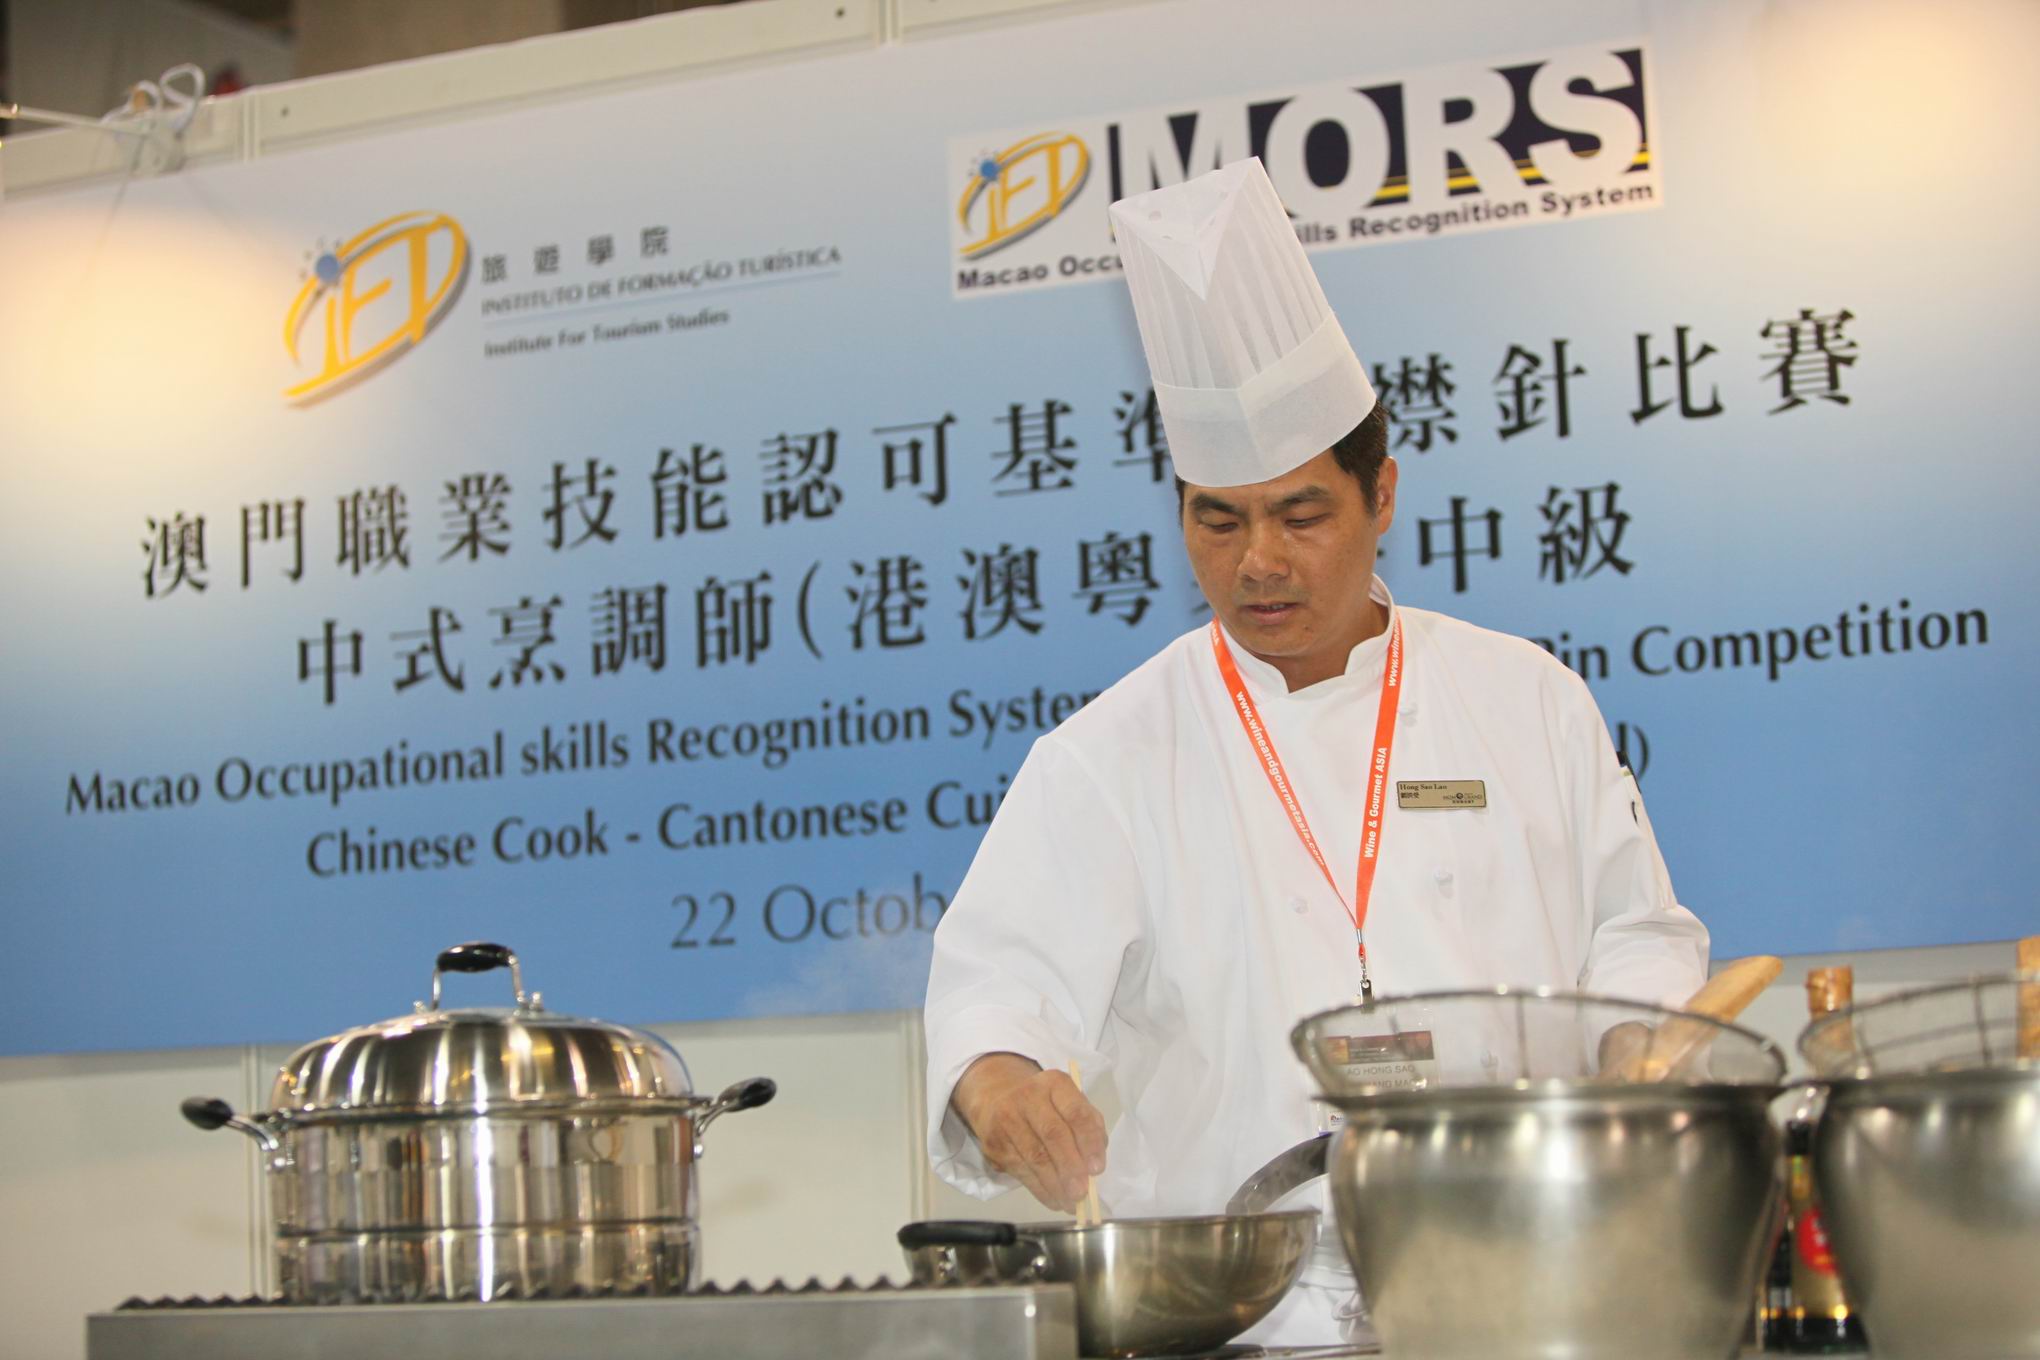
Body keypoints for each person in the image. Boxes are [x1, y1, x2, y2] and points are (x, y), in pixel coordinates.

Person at [921, 158, 1708, 1344]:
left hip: (1528, 1289)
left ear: (1381, 495)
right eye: (1217, 519)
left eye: (1301, 515)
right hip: (1237, 1321)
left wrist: (1639, 1042)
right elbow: (1000, 984)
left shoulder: (1527, 698)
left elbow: (1634, 936)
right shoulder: (1109, 753)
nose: (1258, 563)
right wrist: (999, 1085)